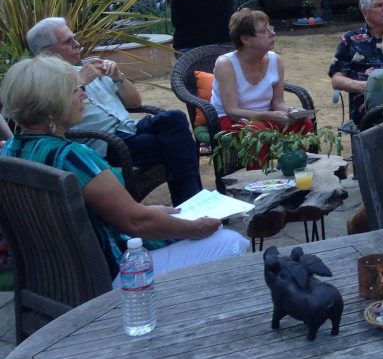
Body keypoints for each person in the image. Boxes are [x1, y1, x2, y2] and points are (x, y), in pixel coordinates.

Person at [0, 56, 247, 282]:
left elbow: (127, 214)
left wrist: (147, 211)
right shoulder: (72, 157)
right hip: (111, 271)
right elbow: (136, 224)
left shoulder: (9, 151)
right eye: (77, 90)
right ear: (53, 104)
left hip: (54, 274)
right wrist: (195, 227)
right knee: (231, 241)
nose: (84, 96)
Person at [25, 17, 203, 206]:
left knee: (174, 118)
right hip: (106, 143)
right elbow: (49, 116)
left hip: (129, 129)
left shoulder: (91, 68)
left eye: (74, 38)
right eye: (68, 42)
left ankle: (190, 202)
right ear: (47, 52)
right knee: (178, 146)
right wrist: (80, 81)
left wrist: (118, 77)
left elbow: (135, 103)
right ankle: (192, 203)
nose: (77, 44)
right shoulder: (42, 83)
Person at [211, 9, 313, 165]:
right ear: (246, 39)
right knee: (255, 132)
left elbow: (278, 103)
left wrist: (293, 112)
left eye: (271, 28)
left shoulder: (275, 60)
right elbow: (232, 111)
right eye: (264, 31)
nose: (273, 34)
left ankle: (294, 171)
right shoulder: (226, 64)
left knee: (304, 124)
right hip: (232, 120)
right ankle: (259, 181)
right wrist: (271, 116)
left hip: (265, 117)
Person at [328, 0, 383, 126]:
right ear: (365, 12)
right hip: (364, 109)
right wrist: (366, 86)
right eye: (379, 5)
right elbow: (337, 80)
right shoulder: (351, 39)